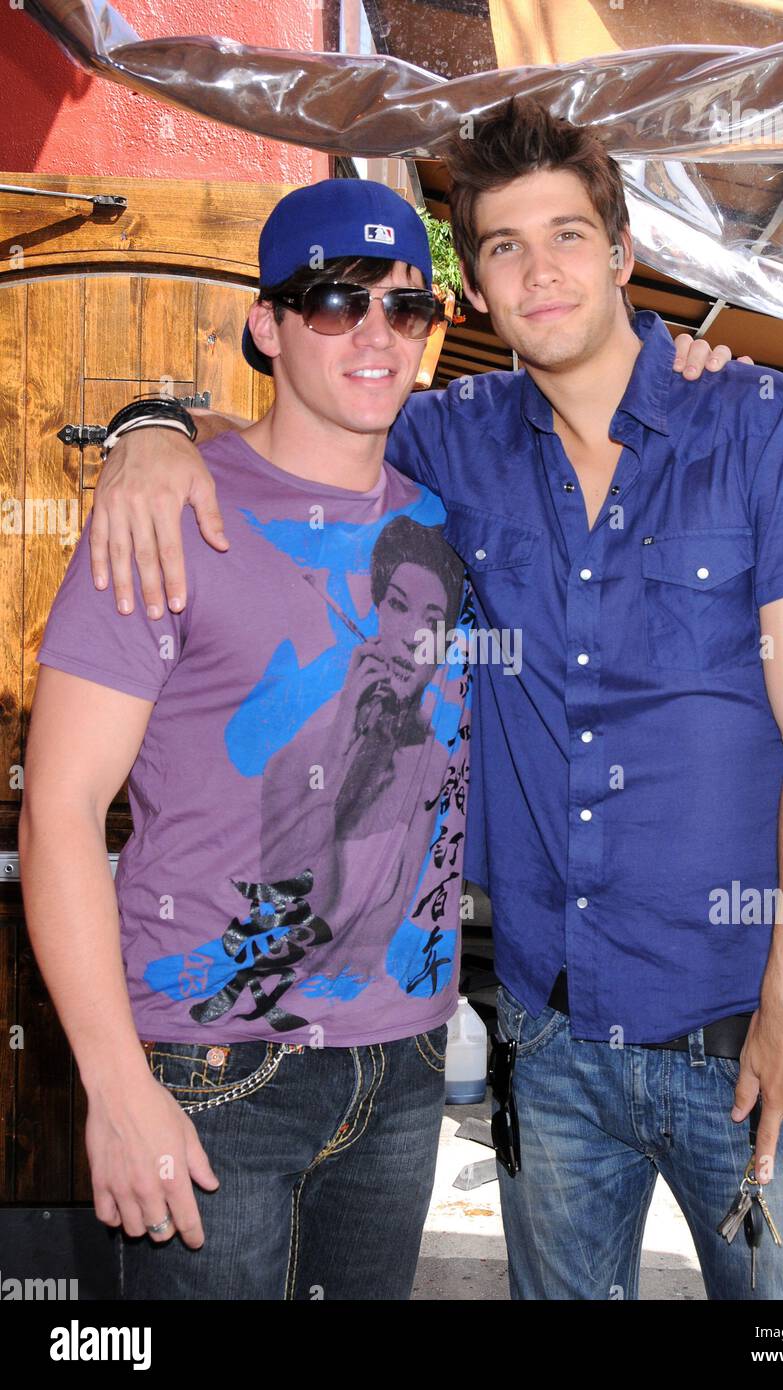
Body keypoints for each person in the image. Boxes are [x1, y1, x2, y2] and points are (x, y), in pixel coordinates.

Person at [82, 96, 783, 1301]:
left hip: (748, 1024)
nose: (539, 271)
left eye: (566, 236)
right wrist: (149, 426)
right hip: (549, 1042)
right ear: (482, 292)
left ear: (623, 256)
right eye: (504, 247)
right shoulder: (453, 439)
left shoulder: (772, 429)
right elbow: (296, 406)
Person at [19, 180, 477, 1300]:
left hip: (406, 1064)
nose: (375, 332)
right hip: (213, 1068)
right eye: (333, 300)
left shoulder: (445, 522)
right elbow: (62, 809)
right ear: (267, 327)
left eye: (404, 307)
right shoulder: (166, 510)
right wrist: (116, 1086)